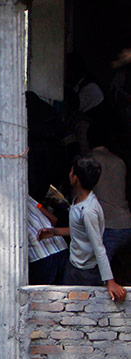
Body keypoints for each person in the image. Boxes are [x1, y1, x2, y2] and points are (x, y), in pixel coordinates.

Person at [0, 158, 69, 286]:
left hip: (41, 262)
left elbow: (11, 246)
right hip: (62, 251)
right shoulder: (15, 189)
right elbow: (53, 219)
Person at [38, 155, 127, 302]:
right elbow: (79, 231)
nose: (69, 174)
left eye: (72, 171)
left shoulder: (88, 211)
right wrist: (54, 232)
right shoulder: (79, 201)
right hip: (74, 265)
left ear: (75, 178)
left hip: (85, 272)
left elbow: (99, 247)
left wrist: (110, 281)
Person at [88, 124, 131, 262]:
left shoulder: (88, 161)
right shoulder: (118, 161)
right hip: (126, 223)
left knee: (95, 274)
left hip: (108, 225)